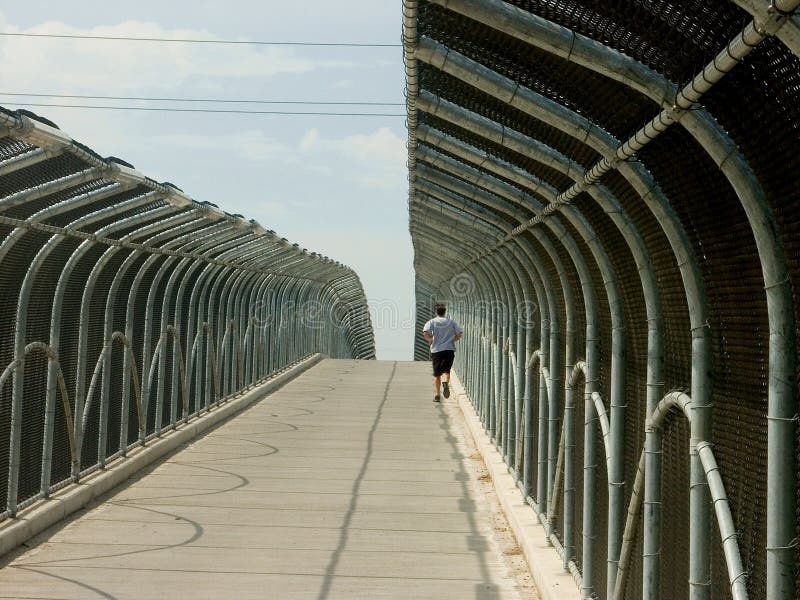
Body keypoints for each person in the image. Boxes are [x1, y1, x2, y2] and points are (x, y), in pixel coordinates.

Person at [422, 304, 463, 402]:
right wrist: (453, 339)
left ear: (436, 312)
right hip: (449, 349)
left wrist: (430, 340)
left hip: (436, 350)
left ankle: (437, 395)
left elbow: (425, 332)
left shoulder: (432, 322)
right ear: (445, 312)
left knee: (436, 374)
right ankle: (445, 383)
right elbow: (459, 334)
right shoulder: (451, 322)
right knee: (446, 370)